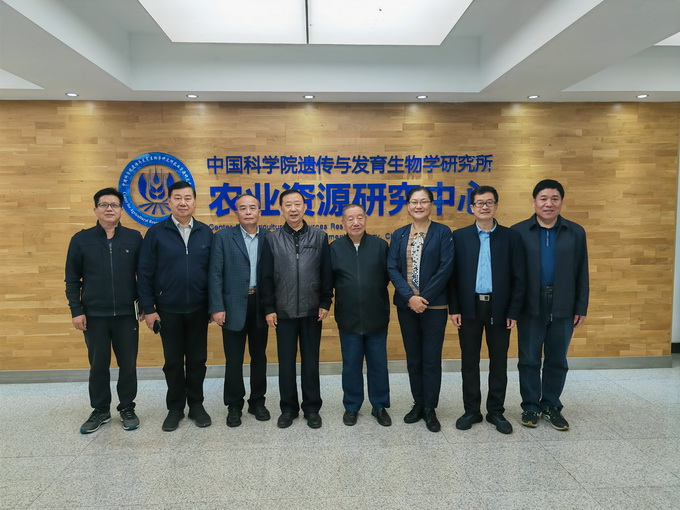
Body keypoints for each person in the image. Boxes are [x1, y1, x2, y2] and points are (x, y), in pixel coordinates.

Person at [512, 179, 589, 431]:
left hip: (563, 302)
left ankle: (551, 406)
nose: (549, 204)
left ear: (561, 202)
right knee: (529, 359)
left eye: (554, 198)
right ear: (534, 202)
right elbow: (511, 274)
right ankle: (530, 407)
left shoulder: (575, 232)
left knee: (557, 359)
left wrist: (581, 306)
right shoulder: (518, 231)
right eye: (543, 198)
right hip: (530, 304)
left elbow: (582, 271)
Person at [65, 187, 143, 434]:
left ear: (121, 210)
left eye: (114, 205)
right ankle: (100, 410)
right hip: (94, 315)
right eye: (104, 205)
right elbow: (72, 279)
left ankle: (127, 407)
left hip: (126, 315)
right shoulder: (81, 239)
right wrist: (76, 310)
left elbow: (144, 275)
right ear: (95, 209)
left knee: (128, 365)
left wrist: (145, 305)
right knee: (98, 365)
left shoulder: (134, 238)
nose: (109, 209)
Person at [137, 181, 213, 432]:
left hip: (199, 309)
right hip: (167, 309)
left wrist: (213, 305)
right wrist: (149, 308)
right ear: (169, 202)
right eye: (177, 198)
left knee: (197, 360)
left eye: (188, 198)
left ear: (195, 202)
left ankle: (197, 405)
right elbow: (144, 273)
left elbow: (214, 273)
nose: (183, 203)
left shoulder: (205, 232)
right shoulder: (156, 233)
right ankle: (175, 408)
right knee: (172, 361)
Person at [448, 185, 525, 434]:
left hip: (500, 308)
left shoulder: (511, 237)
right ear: (472, 207)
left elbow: (519, 278)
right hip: (468, 308)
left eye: (489, 202)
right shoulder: (459, 237)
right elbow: (452, 277)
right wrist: (454, 308)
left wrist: (513, 311)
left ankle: (496, 411)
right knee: (469, 361)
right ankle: (471, 410)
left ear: (496, 206)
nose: (484, 207)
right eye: (479, 203)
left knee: (499, 361)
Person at [260, 189, 333, 429]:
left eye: (297, 204)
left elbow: (326, 273)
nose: (293, 209)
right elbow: (266, 277)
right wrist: (269, 307)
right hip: (283, 312)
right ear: (281, 209)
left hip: (312, 311)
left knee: (311, 362)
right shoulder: (271, 239)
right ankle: (288, 409)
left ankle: (312, 408)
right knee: (286, 363)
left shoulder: (319, 237)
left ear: (305, 207)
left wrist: (325, 302)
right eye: (288, 205)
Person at [387, 186, 453, 432]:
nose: (418, 206)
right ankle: (418, 403)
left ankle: (430, 407)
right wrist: (410, 297)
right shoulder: (399, 234)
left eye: (423, 201)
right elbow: (392, 268)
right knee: (413, 358)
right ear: (407, 206)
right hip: (407, 307)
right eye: (414, 202)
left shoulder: (442, 232)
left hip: (434, 306)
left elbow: (446, 268)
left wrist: (423, 298)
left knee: (431, 359)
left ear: (431, 205)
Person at [209, 194, 270, 427]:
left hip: (260, 305)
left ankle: (257, 402)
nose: (248, 212)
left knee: (259, 356)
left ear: (260, 212)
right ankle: (234, 405)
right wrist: (217, 307)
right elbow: (215, 274)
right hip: (232, 306)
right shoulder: (223, 237)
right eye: (243, 208)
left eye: (252, 208)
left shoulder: (270, 238)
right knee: (234, 359)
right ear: (236, 213)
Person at [331, 204, 391, 427]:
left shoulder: (380, 246)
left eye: (359, 218)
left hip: (376, 316)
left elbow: (386, 277)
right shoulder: (335, 248)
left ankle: (379, 405)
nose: (355, 223)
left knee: (378, 364)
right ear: (343, 223)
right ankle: (352, 406)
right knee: (351, 365)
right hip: (348, 318)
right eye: (350, 219)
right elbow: (329, 280)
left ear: (366, 220)